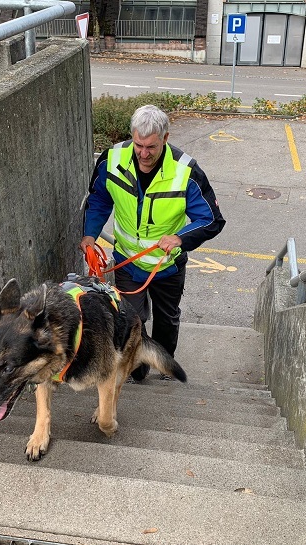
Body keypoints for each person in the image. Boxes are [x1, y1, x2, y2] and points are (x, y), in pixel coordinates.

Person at [80, 105, 226, 382]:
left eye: (151, 147)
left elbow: (211, 220)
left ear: (166, 138)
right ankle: (139, 369)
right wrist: (90, 234)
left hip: (167, 266)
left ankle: (164, 365)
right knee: (132, 320)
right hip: (128, 263)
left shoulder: (187, 172)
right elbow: (99, 199)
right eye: (138, 145)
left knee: (167, 320)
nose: (144, 154)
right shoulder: (111, 159)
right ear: (132, 137)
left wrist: (181, 237)